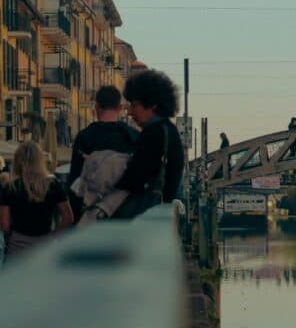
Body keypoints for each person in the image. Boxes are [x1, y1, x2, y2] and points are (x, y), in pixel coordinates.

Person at [115, 69, 186, 216]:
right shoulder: (169, 130)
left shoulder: (153, 133)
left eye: (134, 105)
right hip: (160, 212)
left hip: (144, 213)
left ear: (152, 104)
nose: (129, 112)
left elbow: (135, 178)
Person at [68, 85, 139, 221]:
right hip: (125, 214)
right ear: (119, 108)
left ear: (96, 107)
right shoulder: (133, 137)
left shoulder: (85, 137)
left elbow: (75, 180)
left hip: (93, 213)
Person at [0, 140, 72, 258]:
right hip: (45, 245)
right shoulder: (53, 184)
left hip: (18, 246)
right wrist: (53, 235)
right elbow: (68, 217)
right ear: (40, 161)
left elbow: (5, 224)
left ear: (17, 161)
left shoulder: (9, 188)